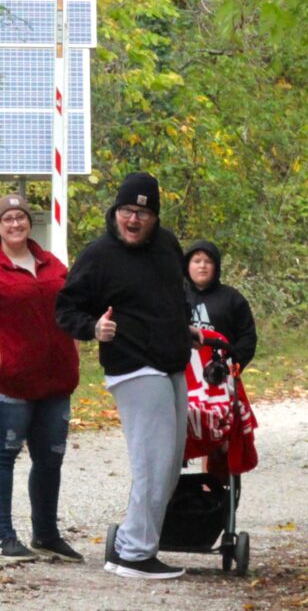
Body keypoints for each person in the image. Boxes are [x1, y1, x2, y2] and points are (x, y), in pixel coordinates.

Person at [55, 172, 194, 580]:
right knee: (153, 461)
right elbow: (66, 309)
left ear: (155, 218)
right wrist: (94, 329)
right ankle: (133, 552)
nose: (132, 220)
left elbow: (172, 297)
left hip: (172, 362)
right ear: (115, 213)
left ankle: (136, 546)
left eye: (143, 213)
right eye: (126, 211)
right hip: (133, 366)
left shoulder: (168, 246)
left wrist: (183, 327)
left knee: (170, 463)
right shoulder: (98, 256)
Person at [0, 195, 84, 563]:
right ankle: (3, 538)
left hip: (53, 382)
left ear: (29, 223)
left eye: (20, 218)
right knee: (1, 455)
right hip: (1, 383)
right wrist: (0, 363)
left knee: (50, 460)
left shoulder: (53, 265)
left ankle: (46, 534)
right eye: (7, 219)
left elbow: (73, 308)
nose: (15, 224)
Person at [183, 239, 258, 368]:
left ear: (216, 266)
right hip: (182, 369)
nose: (202, 266)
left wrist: (232, 363)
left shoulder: (232, 298)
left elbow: (247, 337)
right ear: (187, 265)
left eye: (208, 261)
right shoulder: (175, 295)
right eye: (197, 261)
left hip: (219, 370)